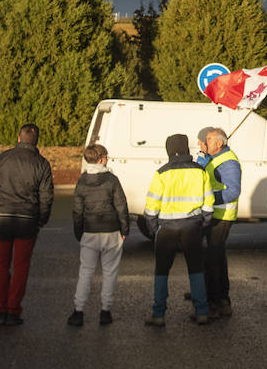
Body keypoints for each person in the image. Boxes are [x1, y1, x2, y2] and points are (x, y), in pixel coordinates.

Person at [0, 123, 54, 326]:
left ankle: (0, 309)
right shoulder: (42, 163)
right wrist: (41, 220)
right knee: (21, 266)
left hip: (3, 217)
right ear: (36, 140)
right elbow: (46, 197)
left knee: (1, 264)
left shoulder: (2, 158)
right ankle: (13, 310)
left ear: (18, 137)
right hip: (27, 220)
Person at [142, 133, 214, 326]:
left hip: (167, 228)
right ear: (186, 148)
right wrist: (203, 223)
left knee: (162, 271)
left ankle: (158, 315)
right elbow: (209, 203)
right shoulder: (200, 171)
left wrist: (153, 228)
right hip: (192, 226)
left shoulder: (161, 173)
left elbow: (151, 207)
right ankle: (202, 312)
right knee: (196, 269)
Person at [69, 144, 129, 327]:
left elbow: (77, 211)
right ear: (101, 159)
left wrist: (79, 231)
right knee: (110, 272)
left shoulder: (82, 181)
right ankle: (105, 311)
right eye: (107, 157)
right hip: (111, 231)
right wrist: (124, 229)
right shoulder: (112, 180)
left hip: (90, 230)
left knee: (85, 272)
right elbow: (121, 206)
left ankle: (78, 311)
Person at [201, 128, 242, 318]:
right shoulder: (215, 157)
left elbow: (233, 191)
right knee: (215, 258)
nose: (205, 141)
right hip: (214, 214)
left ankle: (217, 301)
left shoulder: (229, 162)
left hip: (221, 216)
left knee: (213, 260)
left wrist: (207, 198)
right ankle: (218, 298)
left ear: (219, 143)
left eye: (208, 139)